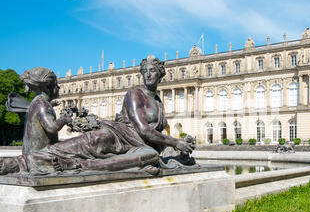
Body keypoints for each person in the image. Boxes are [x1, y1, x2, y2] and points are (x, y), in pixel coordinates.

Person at [0, 56, 194, 176]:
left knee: (150, 156)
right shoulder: (134, 94)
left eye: (153, 71)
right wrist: (175, 142)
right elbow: (143, 128)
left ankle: (79, 165)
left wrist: (175, 146)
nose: (148, 75)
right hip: (116, 135)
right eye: (145, 71)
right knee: (65, 149)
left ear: (161, 74)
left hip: (139, 146)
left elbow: (152, 135)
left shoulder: (158, 102)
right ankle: (18, 164)